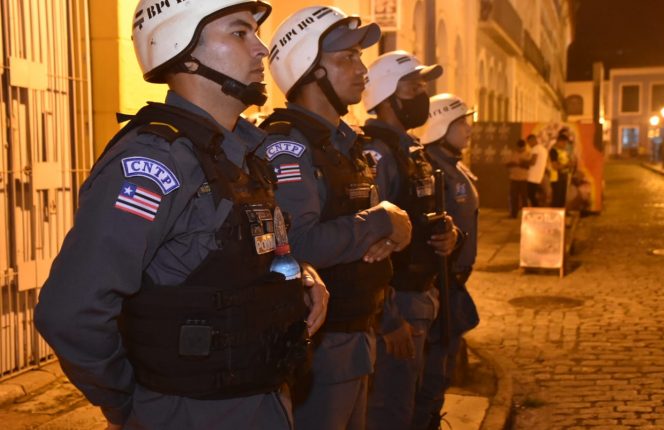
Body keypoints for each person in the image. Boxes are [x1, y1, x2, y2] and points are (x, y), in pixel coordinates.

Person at [33, 2, 330, 429]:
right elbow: (70, 312)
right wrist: (129, 404)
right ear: (183, 50)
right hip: (190, 414)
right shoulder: (156, 162)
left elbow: (253, 252)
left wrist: (299, 275)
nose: (261, 49)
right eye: (240, 33)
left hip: (265, 398)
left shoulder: (246, 154)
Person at [260, 6, 412, 430]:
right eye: (347, 58)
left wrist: (388, 233)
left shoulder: (343, 142)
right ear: (310, 69)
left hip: (356, 332)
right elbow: (296, 244)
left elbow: (357, 225)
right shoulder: (289, 146)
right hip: (321, 348)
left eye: (359, 57)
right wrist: (383, 221)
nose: (362, 70)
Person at [359, 51, 459, 429]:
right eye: (413, 87)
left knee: (421, 401)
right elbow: (369, 245)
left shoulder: (410, 149)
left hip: (424, 294)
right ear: (386, 94)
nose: (422, 95)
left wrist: (452, 235)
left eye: (422, 86)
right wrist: (387, 318)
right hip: (397, 302)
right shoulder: (377, 154)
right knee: (391, 410)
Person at [413, 94, 480, 430]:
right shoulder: (432, 167)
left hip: (453, 284)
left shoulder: (451, 163)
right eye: (461, 122)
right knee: (431, 375)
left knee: (441, 372)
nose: (468, 129)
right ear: (441, 124)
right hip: (439, 285)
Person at [505, 138, 531, 218]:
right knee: (513, 197)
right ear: (517, 147)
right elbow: (506, 164)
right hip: (514, 178)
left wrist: (519, 164)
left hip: (524, 179)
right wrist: (514, 163)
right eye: (519, 148)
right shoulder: (512, 154)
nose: (520, 149)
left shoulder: (528, 154)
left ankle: (526, 215)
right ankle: (513, 214)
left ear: (524, 147)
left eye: (522, 148)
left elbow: (528, 166)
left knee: (524, 198)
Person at [548, 132, 572, 208]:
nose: (565, 145)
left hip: (564, 176)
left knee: (562, 199)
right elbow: (555, 166)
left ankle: (562, 212)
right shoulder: (553, 151)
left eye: (566, 143)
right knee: (556, 198)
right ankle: (554, 213)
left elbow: (570, 163)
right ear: (559, 141)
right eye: (564, 143)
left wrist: (570, 164)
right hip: (556, 177)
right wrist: (566, 165)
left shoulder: (564, 151)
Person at [525, 133, 548, 206]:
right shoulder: (543, 149)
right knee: (533, 194)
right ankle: (536, 207)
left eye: (529, 142)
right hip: (539, 175)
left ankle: (536, 208)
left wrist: (524, 162)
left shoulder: (535, 149)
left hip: (532, 176)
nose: (529, 145)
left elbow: (533, 162)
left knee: (530, 194)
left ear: (533, 140)